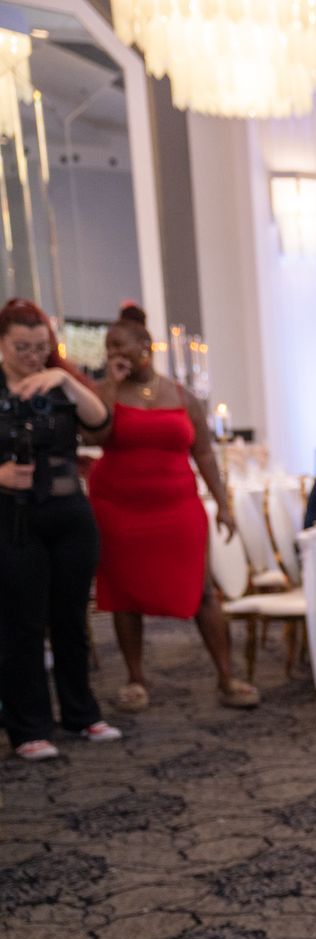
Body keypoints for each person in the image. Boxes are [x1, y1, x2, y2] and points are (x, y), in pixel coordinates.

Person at [92, 306, 259, 712]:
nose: (113, 352)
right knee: (125, 593)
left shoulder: (182, 396)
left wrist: (222, 504)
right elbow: (99, 433)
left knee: (201, 591)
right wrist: (110, 387)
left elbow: (202, 451)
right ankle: (135, 680)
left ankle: (226, 676)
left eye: (120, 345)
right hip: (120, 507)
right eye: (108, 347)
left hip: (177, 506)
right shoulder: (104, 393)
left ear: (144, 348)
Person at [0, 297, 120, 760]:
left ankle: (81, 713)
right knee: (23, 625)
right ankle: (29, 726)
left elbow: (102, 424)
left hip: (70, 515)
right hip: (14, 519)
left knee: (72, 619)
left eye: (40, 347)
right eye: (22, 347)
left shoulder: (60, 384)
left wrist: (65, 378)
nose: (32, 356)